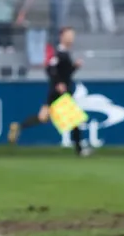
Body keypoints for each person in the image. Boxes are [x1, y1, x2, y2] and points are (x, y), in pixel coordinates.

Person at [6, 27, 86, 155]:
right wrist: (58, 83)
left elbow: (65, 73)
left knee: (43, 118)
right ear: (62, 37)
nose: (71, 38)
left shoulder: (64, 53)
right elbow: (50, 69)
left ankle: (19, 126)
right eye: (69, 35)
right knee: (75, 120)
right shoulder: (59, 53)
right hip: (58, 93)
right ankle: (80, 150)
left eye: (72, 35)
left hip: (57, 92)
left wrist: (74, 67)